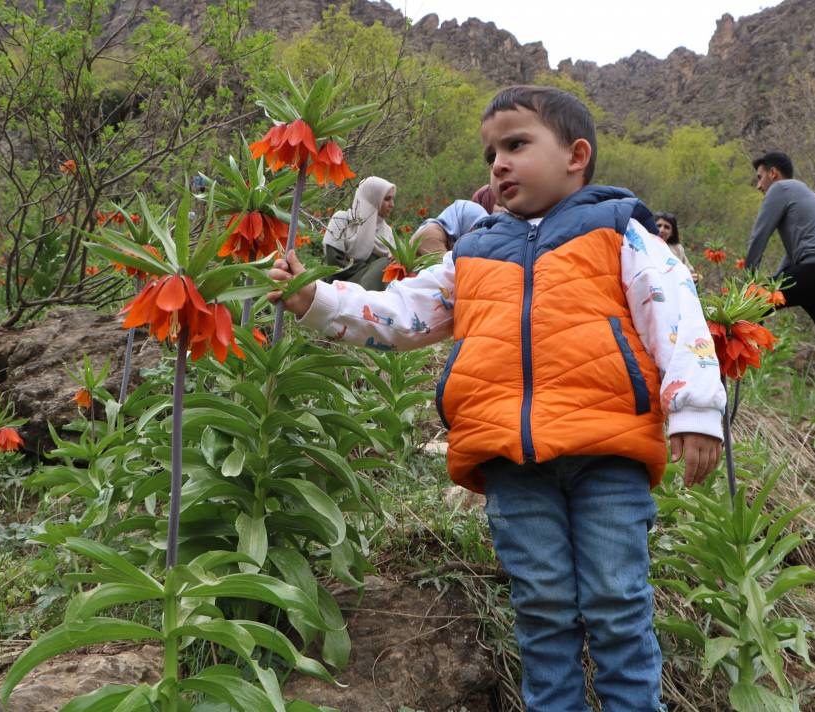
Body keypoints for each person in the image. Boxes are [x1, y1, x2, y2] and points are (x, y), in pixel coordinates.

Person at [269, 85, 726, 711]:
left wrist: (696, 409)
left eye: (516, 145)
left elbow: (674, 314)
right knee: (540, 606)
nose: (499, 163)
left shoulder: (621, 228)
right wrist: (317, 300)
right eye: (491, 153)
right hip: (509, 455)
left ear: (576, 155)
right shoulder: (475, 250)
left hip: (607, 448)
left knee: (618, 603)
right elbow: (405, 310)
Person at [744, 151, 815, 384]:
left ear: (773, 173)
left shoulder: (780, 189)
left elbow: (759, 237)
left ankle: (743, 371)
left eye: (760, 177)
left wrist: (750, 282)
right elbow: (794, 256)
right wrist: (775, 280)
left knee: (753, 303)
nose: (759, 185)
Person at [322, 176, 396, 291]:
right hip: (339, 285)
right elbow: (335, 263)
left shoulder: (387, 231)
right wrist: (373, 269)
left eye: (392, 199)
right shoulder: (342, 220)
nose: (392, 204)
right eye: (387, 199)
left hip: (372, 291)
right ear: (372, 198)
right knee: (384, 264)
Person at [412, 199, 489, 255]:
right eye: (476, 229)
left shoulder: (446, 238)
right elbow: (449, 273)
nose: (478, 236)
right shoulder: (431, 234)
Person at [653, 211, 697, 278]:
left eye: (666, 227)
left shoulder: (677, 249)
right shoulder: (644, 246)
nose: (661, 230)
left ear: (672, 233)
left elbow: (689, 271)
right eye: (658, 226)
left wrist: (693, 278)